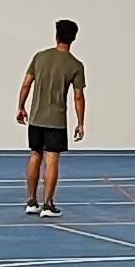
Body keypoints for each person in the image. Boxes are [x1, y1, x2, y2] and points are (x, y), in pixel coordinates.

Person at [17, 18, 86, 216]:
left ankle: (31, 201)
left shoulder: (40, 57)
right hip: (56, 120)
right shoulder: (76, 65)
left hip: (36, 118)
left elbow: (26, 84)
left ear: (57, 35)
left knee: (35, 155)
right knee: (52, 159)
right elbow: (78, 96)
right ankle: (47, 204)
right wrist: (80, 123)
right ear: (73, 38)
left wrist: (21, 107)